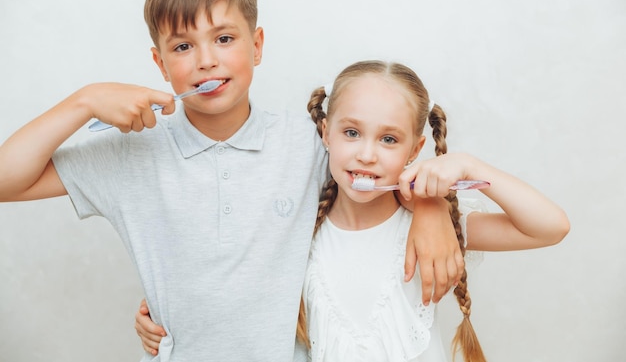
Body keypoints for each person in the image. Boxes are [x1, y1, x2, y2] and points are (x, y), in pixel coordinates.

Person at [0, 0, 463, 361]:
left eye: (224, 38)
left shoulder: (308, 144)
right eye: (183, 46)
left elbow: (379, 166)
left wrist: (430, 207)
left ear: (256, 46)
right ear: (160, 64)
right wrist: (82, 101)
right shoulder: (129, 154)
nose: (206, 60)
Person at [135, 60, 570, 361]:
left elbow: (550, 228)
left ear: (416, 149)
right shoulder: (295, 232)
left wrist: (467, 168)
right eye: (351, 132)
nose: (365, 154)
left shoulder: (426, 232)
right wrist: (162, 311)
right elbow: (225, 276)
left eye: (388, 140)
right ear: (325, 133)